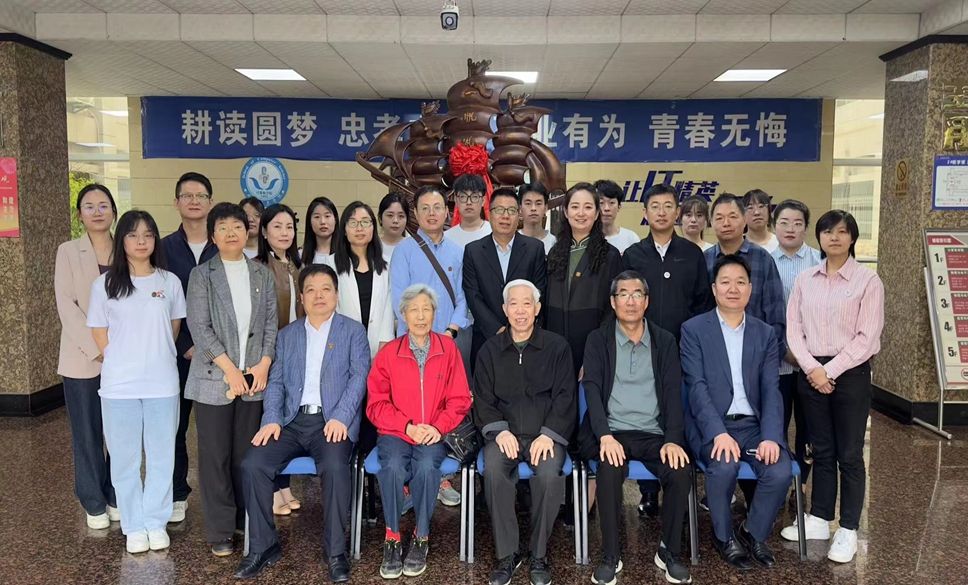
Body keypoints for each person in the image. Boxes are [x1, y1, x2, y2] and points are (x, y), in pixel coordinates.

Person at [236, 265, 371, 582]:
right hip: (291, 421)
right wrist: (271, 419)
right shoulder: (288, 335)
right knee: (253, 464)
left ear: (336, 295)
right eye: (311, 289)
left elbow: (359, 378)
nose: (318, 295)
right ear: (301, 297)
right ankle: (263, 547)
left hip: (331, 421)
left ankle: (335, 552)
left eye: (326, 289)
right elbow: (276, 383)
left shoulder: (353, 332)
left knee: (335, 467)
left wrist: (341, 416)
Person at [781, 210, 884, 564]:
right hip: (811, 372)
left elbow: (868, 337)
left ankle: (849, 528)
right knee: (821, 449)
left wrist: (830, 371)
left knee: (850, 454)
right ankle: (821, 518)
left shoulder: (868, 281)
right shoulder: (805, 280)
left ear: (852, 238)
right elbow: (793, 328)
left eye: (842, 232)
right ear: (820, 238)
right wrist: (813, 368)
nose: (834, 238)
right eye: (827, 232)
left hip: (850, 373)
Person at [579, 271, 693, 585]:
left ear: (647, 301)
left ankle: (669, 551)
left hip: (654, 432)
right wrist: (604, 436)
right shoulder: (598, 339)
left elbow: (672, 393)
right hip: (612, 432)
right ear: (613, 302)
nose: (630, 301)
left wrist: (673, 439)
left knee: (680, 470)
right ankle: (610, 555)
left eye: (637, 294)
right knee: (608, 469)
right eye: (623, 294)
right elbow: (592, 391)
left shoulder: (664, 341)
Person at [681, 254, 791, 571]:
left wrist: (771, 437)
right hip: (712, 425)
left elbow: (771, 389)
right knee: (725, 465)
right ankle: (724, 535)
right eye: (726, 282)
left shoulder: (764, 333)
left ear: (750, 289)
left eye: (740, 282)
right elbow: (696, 388)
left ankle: (752, 532)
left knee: (779, 470)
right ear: (714, 289)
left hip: (754, 427)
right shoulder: (693, 330)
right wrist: (718, 433)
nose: (733, 289)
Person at [87, 210, 187, 554]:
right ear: (122, 240)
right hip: (119, 387)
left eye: (148, 234)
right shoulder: (104, 285)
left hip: (162, 384)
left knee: (161, 456)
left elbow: (173, 328)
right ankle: (133, 525)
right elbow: (99, 331)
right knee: (124, 459)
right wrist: (121, 360)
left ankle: (155, 522)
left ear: (156, 239)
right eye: (132, 235)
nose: (141, 241)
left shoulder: (169, 282)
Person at [186, 202, 278, 557]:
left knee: (246, 455)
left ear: (247, 231)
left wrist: (264, 363)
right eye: (222, 227)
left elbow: (270, 324)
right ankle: (220, 530)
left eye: (237, 226)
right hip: (215, 379)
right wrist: (230, 370)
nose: (230, 233)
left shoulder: (261, 274)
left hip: (254, 381)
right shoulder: (202, 275)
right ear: (213, 235)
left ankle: (243, 518)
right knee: (215, 457)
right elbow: (200, 327)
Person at [367, 284, 472, 580]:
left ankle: (421, 535)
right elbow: (376, 404)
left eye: (427, 309)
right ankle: (392, 536)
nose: (421, 316)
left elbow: (460, 399)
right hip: (396, 432)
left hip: (433, 433)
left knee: (427, 467)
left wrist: (437, 427)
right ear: (403, 315)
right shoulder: (389, 353)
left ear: (435, 314)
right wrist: (407, 426)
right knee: (392, 466)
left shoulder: (448, 349)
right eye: (414, 310)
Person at [474, 280, 575, 585]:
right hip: (504, 435)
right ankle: (507, 555)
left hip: (544, 435)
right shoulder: (490, 350)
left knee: (549, 475)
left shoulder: (557, 347)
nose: (520, 311)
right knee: (494, 470)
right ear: (505, 310)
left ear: (537, 308)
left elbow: (565, 396)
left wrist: (549, 434)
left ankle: (539, 554)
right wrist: (499, 431)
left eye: (527, 304)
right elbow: (482, 398)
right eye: (514, 304)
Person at [622, 184, 712, 519]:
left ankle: (677, 486)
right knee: (646, 416)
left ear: (677, 212)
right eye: (655, 206)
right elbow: (623, 303)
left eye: (668, 206)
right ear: (645, 213)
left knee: (677, 414)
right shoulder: (633, 255)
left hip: (682, 351)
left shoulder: (692, 254)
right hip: (641, 349)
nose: (661, 212)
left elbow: (703, 303)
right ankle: (648, 492)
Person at [389, 186, 470, 508]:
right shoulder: (405, 251)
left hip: (447, 345)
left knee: (444, 409)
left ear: (447, 212)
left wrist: (450, 331)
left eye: (438, 207)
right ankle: (410, 481)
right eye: (425, 208)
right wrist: (418, 333)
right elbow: (400, 301)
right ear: (416, 213)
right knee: (412, 408)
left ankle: (440, 478)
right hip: (412, 347)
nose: (432, 213)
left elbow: (463, 297)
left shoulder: (457, 251)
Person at [55, 183, 118, 529]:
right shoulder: (68, 251)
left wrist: (119, 351)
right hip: (83, 358)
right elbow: (67, 306)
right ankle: (93, 501)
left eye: (103, 205)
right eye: (89, 206)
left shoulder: (126, 248)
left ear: (114, 212)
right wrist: (100, 349)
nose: (97, 211)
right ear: (80, 214)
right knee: (88, 432)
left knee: (120, 431)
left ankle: (116, 495)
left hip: (123, 358)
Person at [162, 171, 218, 523]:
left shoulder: (224, 244)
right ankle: (177, 492)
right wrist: (185, 344)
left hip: (220, 357)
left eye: (201, 196)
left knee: (216, 431)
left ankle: (222, 495)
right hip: (177, 354)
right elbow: (160, 303)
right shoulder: (163, 248)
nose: (194, 201)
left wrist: (211, 348)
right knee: (176, 425)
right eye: (187, 195)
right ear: (177, 202)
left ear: (211, 202)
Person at [254, 204, 305, 516]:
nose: (284, 233)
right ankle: (272, 488)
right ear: (264, 231)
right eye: (277, 226)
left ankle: (284, 485)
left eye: (289, 227)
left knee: (286, 420)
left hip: (295, 354)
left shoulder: (298, 266)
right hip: (269, 355)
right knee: (269, 419)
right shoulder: (258, 267)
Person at [769, 200, 822, 489]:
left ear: (806, 227)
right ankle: (777, 479)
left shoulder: (819, 261)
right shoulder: (765, 261)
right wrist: (784, 349)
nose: (790, 229)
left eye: (798, 223)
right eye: (784, 222)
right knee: (775, 423)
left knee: (809, 426)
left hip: (811, 362)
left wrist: (804, 355)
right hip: (776, 362)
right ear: (774, 226)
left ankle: (800, 483)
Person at [462, 187, 548, 365]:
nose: (505, 216)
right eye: (499, 210)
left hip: (526, 337)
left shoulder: (534, 248)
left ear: (519, 215)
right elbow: (473, 295)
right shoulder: (473, 251)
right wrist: (498, 330)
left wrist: (519, 329)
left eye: (511, 210)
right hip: (485, 338)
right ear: (489, 214)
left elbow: (539, 291)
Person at [545, 182, 624, 375]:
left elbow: (612, 310)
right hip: (554, 345)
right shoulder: (555, 252)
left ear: (596, 214)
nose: (581, 213)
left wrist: (595, 354)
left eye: (588, 207)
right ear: (566, 212)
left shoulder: (609, 255)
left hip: (591, 346)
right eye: (575, 207)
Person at [705, 193, 786, 360]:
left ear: (744, 220)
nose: (726, 223)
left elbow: (775, 312)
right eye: (719, 218)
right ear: (711, 223)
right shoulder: (704, 260)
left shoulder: (762, 258)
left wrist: (770, 356)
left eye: (732, 216)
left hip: (755, 354)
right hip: (713, 354)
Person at [444, 173, 492, 248]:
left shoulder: (494, 233)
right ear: (456, 200)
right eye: (463, 197)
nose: (469, 202)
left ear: (483, 200)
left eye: (474, 197)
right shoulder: (446, 238)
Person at [594, 179, 640, 254]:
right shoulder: (586, 239)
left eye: (612, 203)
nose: (606, 208)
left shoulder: (631, 238)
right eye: (601, 202)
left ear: (619, 206)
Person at [300, 196, 340, 268]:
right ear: (310, 222)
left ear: (335, 219)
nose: (322, 221)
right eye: (317, 217)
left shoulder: (346, 254)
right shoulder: (300, 256)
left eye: (327, 216)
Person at [518, 182, 557, 254]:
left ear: (546, 208)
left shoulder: (554, 243)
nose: (533, 208)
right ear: (520, 208)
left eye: (538, 203)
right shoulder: (512, 242)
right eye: (528, 203)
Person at [378, 192, 410, 264]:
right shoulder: (371, 247)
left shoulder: (414, 247)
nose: (395, 221)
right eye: (390, 215)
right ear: (380, 218)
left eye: (401, 216)